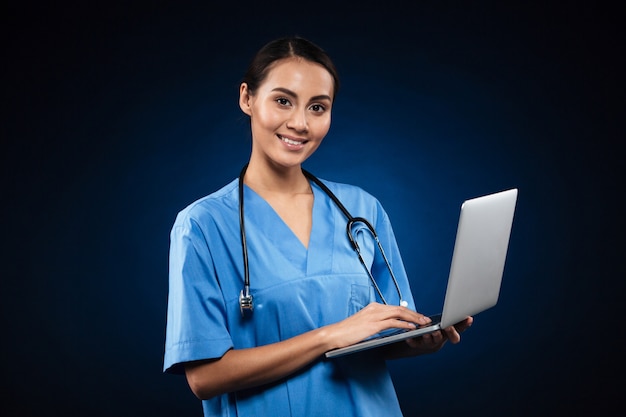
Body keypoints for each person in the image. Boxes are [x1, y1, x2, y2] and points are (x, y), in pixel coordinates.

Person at [163, 36, 472, 416]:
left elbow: (383, 332)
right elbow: (204, 378)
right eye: (282, 101)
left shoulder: (361, 210)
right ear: (247, 98)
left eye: (318, 107)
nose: (300, 123)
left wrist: (419, 341)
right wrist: (329, 336)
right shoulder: (202, 226)